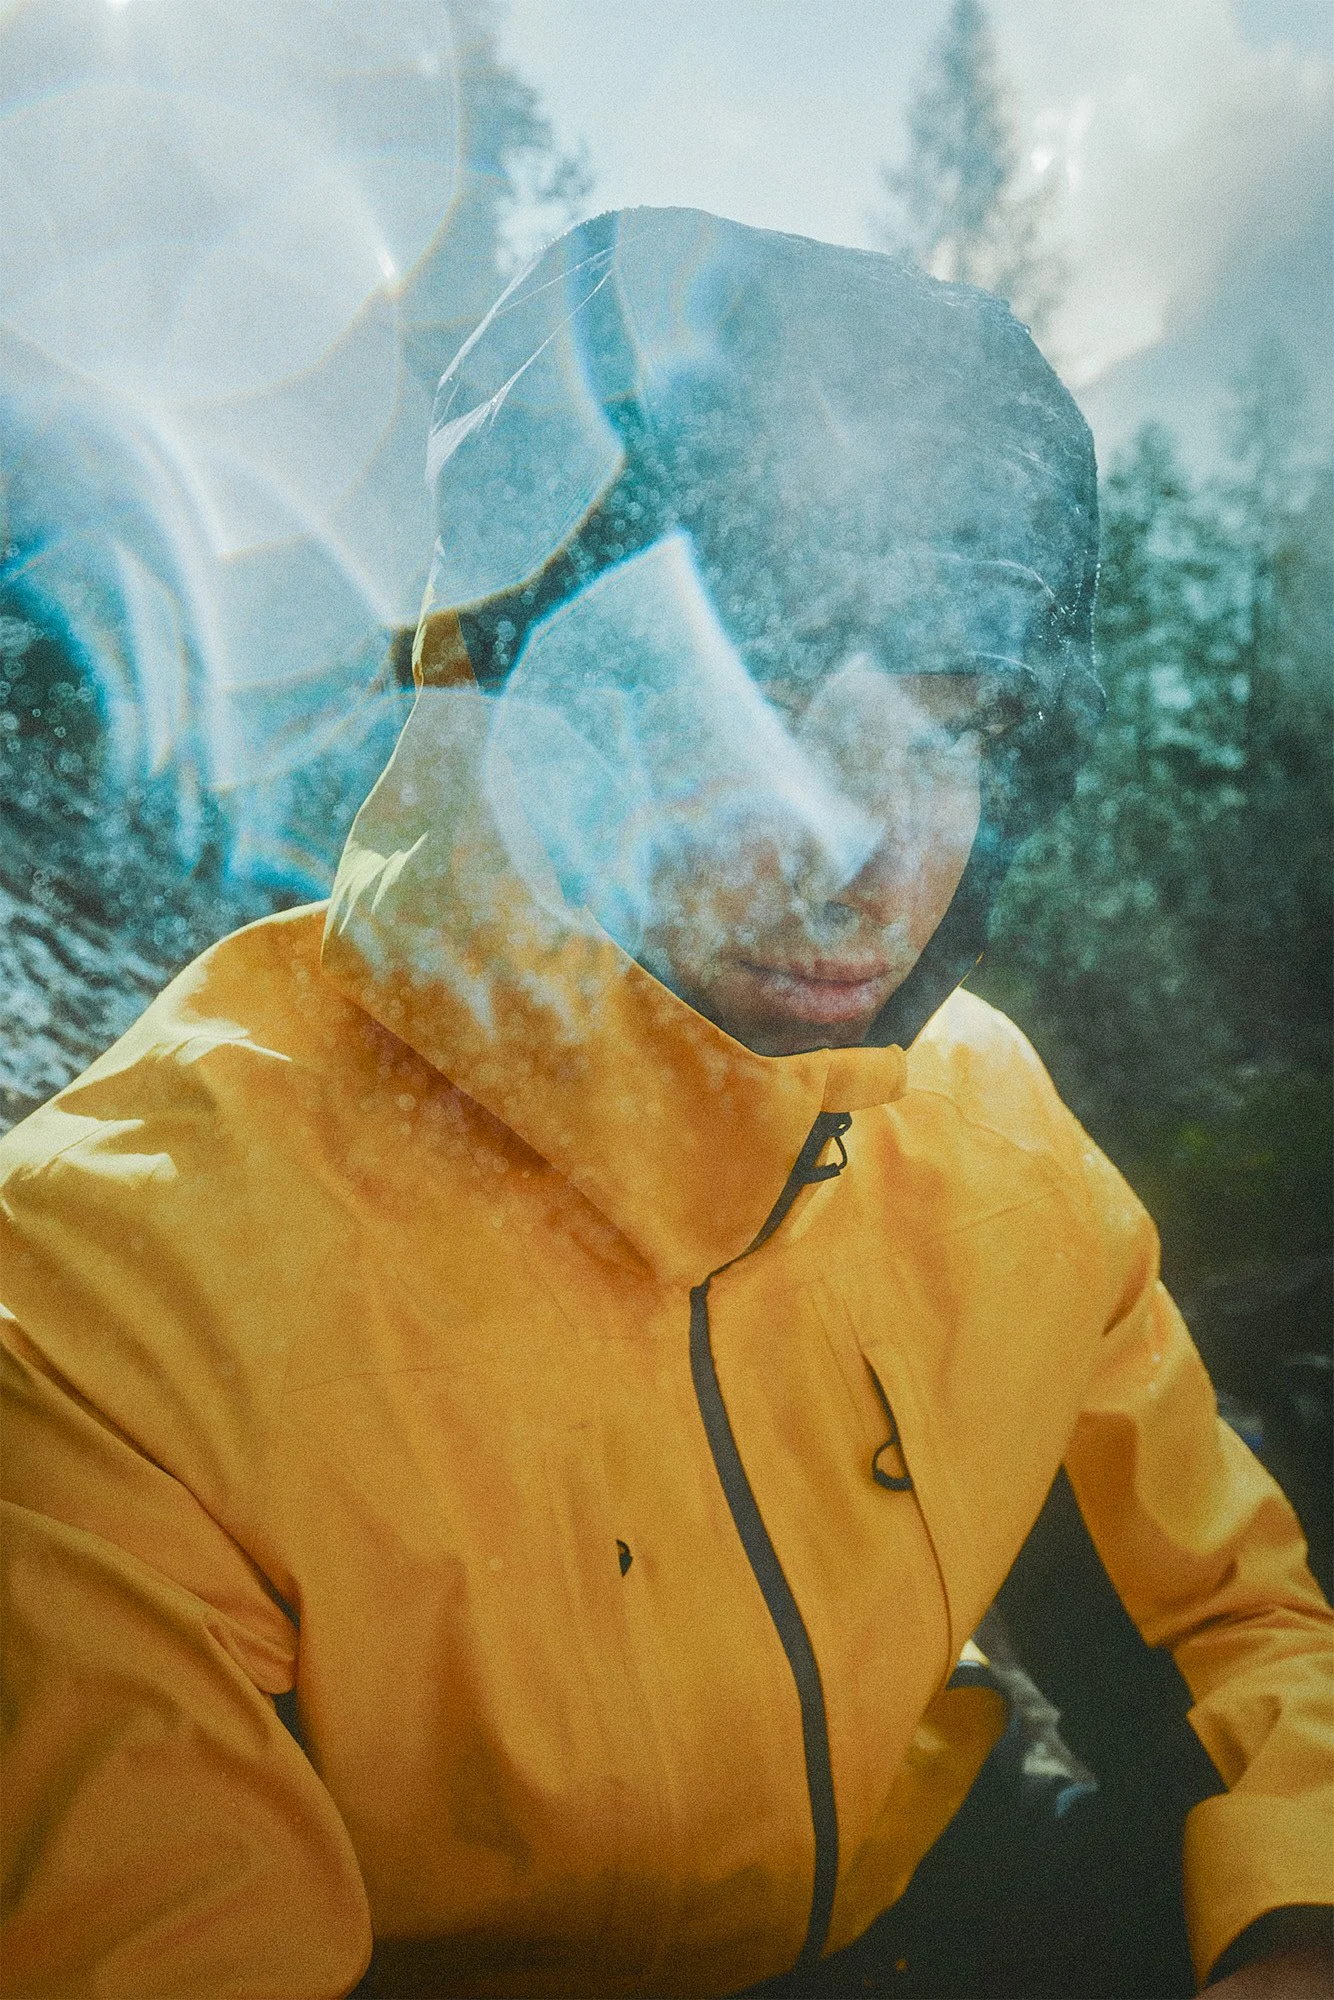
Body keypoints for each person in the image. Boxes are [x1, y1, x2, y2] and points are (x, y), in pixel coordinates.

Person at [1, 208, 1330, 2000]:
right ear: (509, 693)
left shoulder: (984, 1126)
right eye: (753, 703)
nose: (870, 862)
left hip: (914, 1911)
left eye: (955, 726)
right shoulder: (111, 1294)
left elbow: (1231, 1629)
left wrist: (1294, 1926)